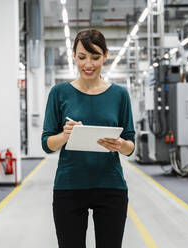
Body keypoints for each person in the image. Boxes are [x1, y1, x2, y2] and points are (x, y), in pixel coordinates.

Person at [41, 29, 135, 248]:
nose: (88, 64)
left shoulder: (120, 95)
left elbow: (131, 146)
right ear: (74, 56)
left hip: (111, 186)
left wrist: (120, 145)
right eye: (82, 57)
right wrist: (64, 135)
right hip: (69, 187)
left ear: (105, 56)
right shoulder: (59, 93)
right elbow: (46, 144)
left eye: (95, 57)